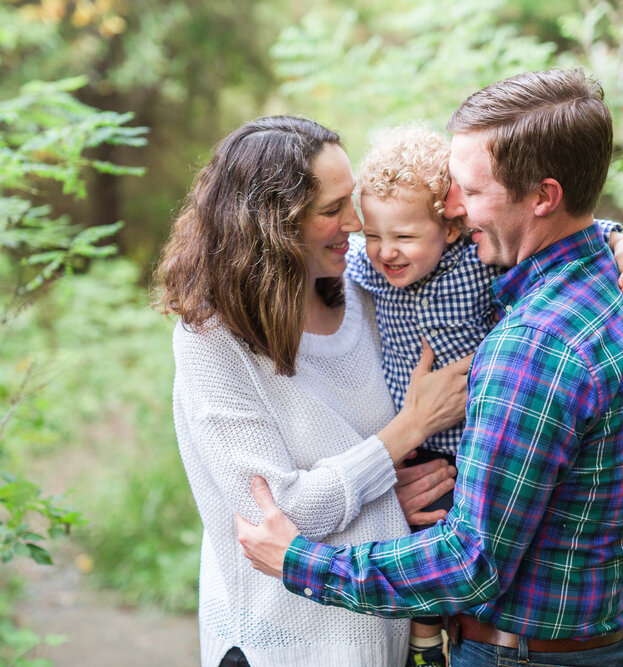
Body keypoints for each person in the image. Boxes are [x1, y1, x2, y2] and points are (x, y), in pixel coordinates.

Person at [237, 68, 623, 667]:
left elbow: (471, 564)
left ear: (543, 197)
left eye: (469, 189)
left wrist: (301, 561)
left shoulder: (536, 346)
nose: (451, 207)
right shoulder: (603, 285)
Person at [156, 115, 472, 667]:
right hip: (281, 645)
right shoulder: (212, 340)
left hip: (386, 637)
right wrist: (409, 429)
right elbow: (276, 516)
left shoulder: (369, 284)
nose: (357, 221)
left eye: (352, 200)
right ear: (273, 225)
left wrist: (605, 239)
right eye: (333, 210)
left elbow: (477, 235)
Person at [345, 124, 623, 667]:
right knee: (421, 517)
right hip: (418, 437)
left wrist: (611, 235)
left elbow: (555, 231)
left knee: (452, 528)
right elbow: (325, 249)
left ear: (451, 228)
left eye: (405, 238)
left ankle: (426, 642)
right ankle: (423, 639)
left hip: (472, 441)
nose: (386, 251)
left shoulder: (485, 273)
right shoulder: (366, 264)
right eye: (374, 236)